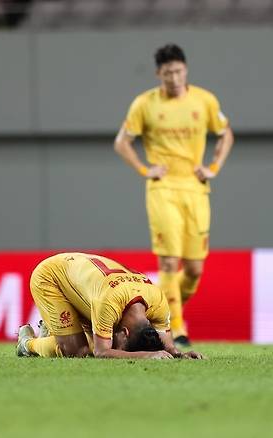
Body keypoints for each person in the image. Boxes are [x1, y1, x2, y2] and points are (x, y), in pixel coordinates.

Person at [113, 44, 234, 346]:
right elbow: (122, 142)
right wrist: (145, 169)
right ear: (159, 74)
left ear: (186, 70)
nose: (174, 78)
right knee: (168, 263)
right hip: (163, 190)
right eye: (168, 73)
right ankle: (177, 329)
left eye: (178, 71)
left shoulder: (204, 100)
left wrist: (214, 167)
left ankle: (167, 306)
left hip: (195, 190)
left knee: (194, 270)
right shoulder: (145, 104)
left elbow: (225, 134)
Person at [16, 252, 204, 359]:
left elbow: (168, 346)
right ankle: (27, 344)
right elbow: (102, 351)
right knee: (77, 351)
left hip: (83, 279)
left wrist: (180, 354)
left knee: (91, 340)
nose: (118, 347)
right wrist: (144, 356)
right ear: (125, 332)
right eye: (121, 344)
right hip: (51, 275)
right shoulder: (109, 303)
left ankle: (52, 330)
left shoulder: (159, 301)